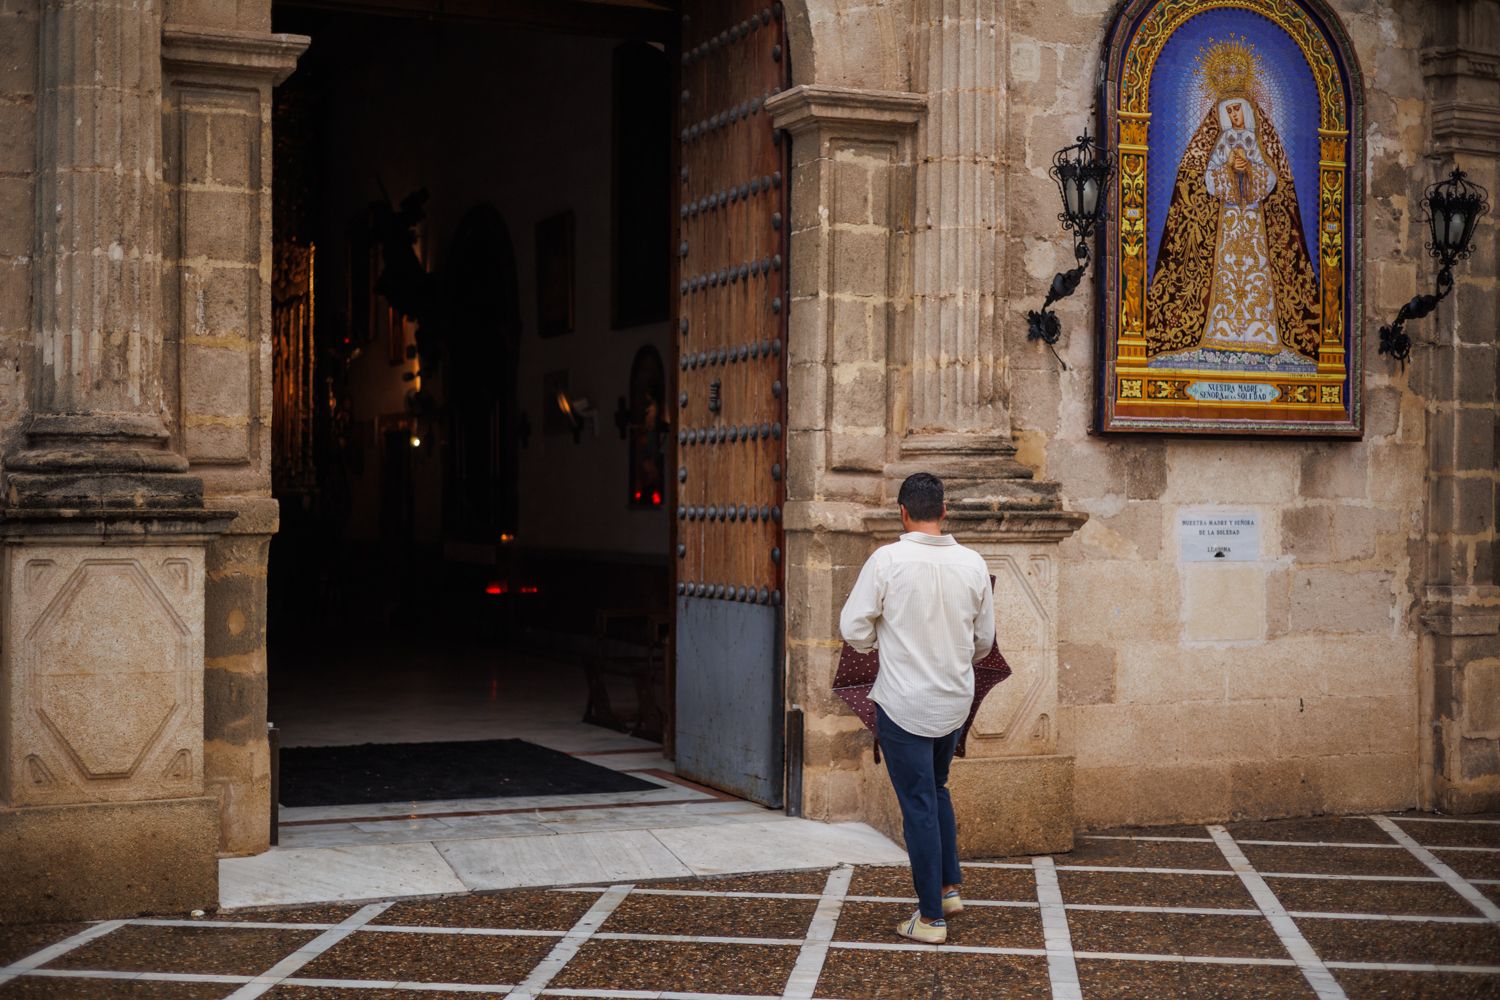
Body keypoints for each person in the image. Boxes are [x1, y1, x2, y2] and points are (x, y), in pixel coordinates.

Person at [839, 472, 995, 944]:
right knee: (938, 787)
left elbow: (853, 626)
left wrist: (878, 641)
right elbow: (984, 642)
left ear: (902, 513)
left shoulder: (887, 559)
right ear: (943, 511)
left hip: (904, 700)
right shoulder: (971, 563)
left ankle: (930, 919)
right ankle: (948, 888)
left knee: (920, 804)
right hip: (953, 697)